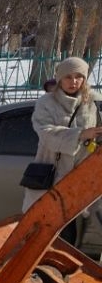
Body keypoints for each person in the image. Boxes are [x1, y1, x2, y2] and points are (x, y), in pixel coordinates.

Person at [23, 56, 102, 216]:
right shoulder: (46, 103)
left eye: (79, 76)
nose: (74, 81)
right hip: (53, 175)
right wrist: (80, 134)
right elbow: (45, 133)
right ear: (60, 79)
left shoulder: (95, 102)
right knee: (49, 225)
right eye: (68, 77)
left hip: (84, 176)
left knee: (79, 231)